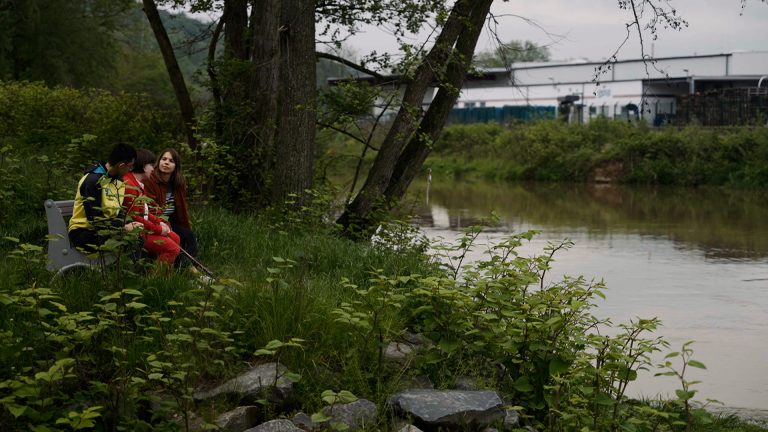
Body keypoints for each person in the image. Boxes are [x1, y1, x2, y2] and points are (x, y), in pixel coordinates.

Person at [68, 143, 141, 253]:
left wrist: (128, 224)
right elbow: (95, 219)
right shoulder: (92, 181)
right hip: (83, 233)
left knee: (137, 239)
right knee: (132, 242)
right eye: (130, 166)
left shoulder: (118, 182)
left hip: (105, 230)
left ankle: (120, 269)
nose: (130, 170)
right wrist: (123, 228)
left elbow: (118, 213)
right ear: (121, 165)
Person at [122, 149, 181, 267]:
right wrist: (158, 229)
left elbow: (144, 212)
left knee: (175, 237)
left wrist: (159, 222)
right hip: (135, 232)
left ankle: (162, 272)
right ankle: (155, 279)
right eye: (150, 165)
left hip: (144, 228)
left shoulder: (138, 183)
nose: (153, 169)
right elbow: (134, 217)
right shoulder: (129, 184)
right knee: (172, 248)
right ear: (144, 167)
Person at [144, 148, 199, 266]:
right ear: (158, 161)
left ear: (176, 166)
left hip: (170, 221)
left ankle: (188, 267)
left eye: (171, 161)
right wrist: (166, 227)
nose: (166, 162)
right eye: (164, 159)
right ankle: (186, 269)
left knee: (189, 236)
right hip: (155, 222)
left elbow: (182, 208)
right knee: (174, 238)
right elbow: (151, 208)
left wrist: (184, 225)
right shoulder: (150, 180)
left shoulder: (179, 183)